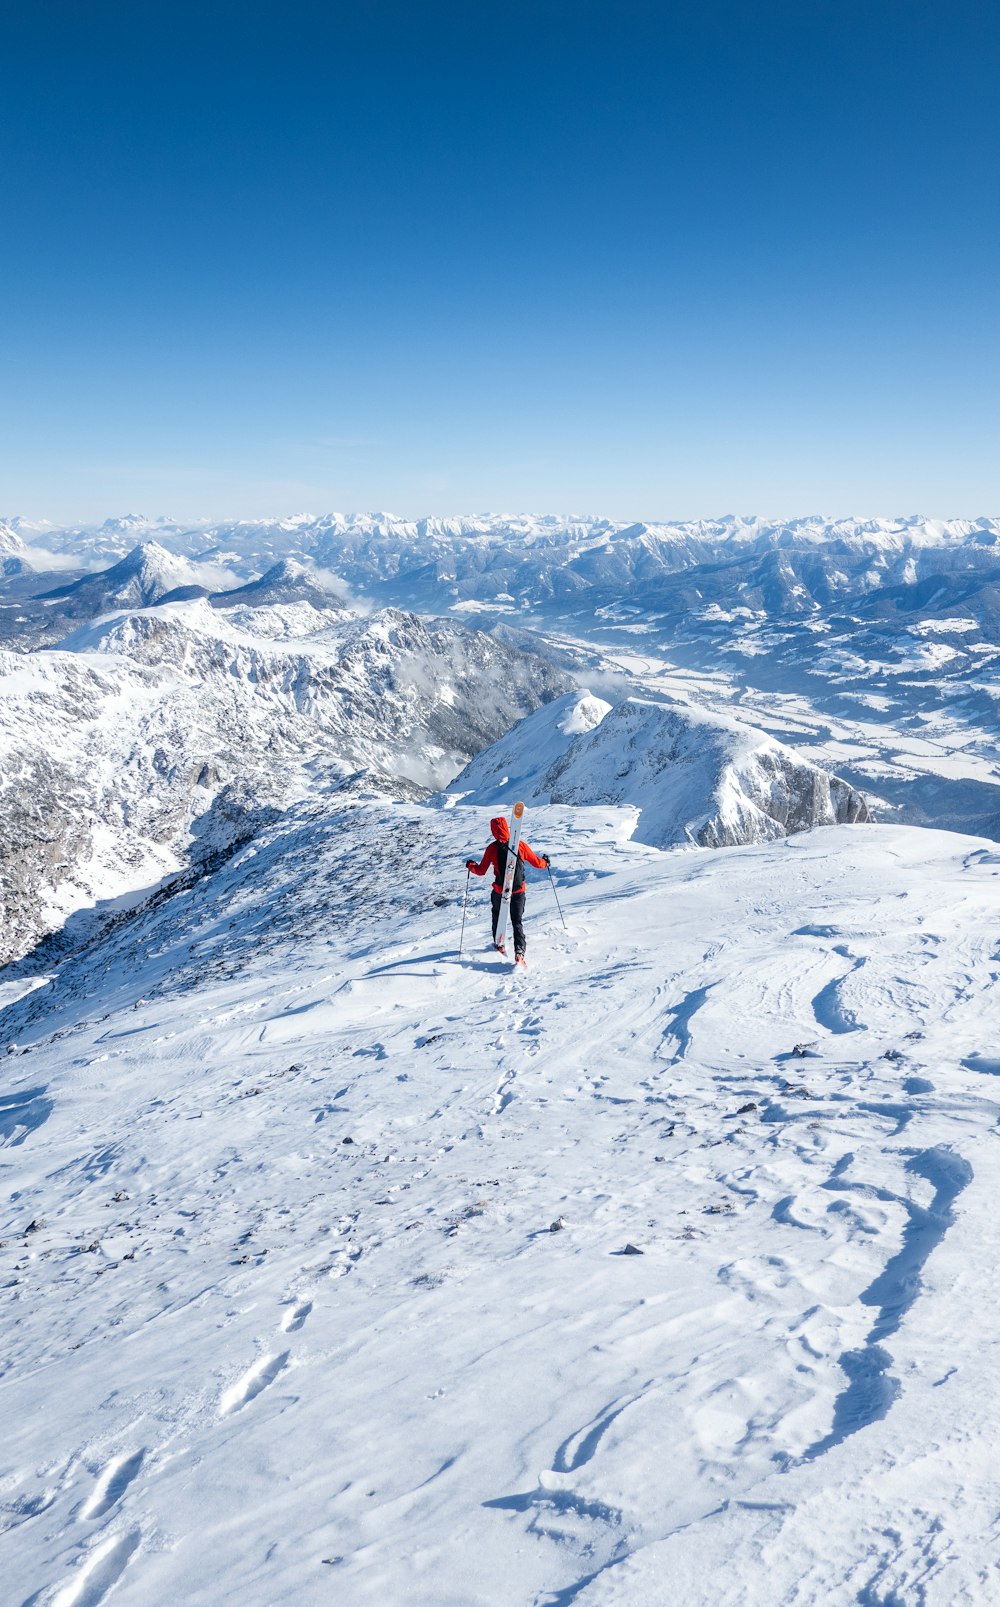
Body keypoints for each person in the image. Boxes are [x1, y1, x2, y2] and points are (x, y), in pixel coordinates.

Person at [466, 815, 550, 963]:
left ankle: (499, 944)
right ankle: (519, 951)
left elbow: (481, 871)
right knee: (517, 921)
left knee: (498, 917)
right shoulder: (520, 845)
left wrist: (470, 866)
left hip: (500, 891)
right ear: (507, 828)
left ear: (493, 830)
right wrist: (545, 862)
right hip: (518, 891)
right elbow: (537, 863)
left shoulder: (492, 848)